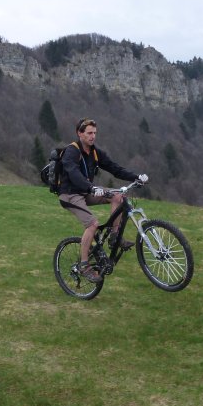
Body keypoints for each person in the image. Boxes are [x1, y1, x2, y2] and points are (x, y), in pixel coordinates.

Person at [58, 117, 149, 283]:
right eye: (89, 133)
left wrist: (136, 177)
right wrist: (91, 187)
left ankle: (115, 237)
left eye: (95, 133)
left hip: (86, 191)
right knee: (92, 224)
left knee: (118, 196)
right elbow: (73, 173)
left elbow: (115, 169)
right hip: (70, 194)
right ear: (80, 133)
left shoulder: (95, 152)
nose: (93, 136)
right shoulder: (72, 151)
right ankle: (84, 265)